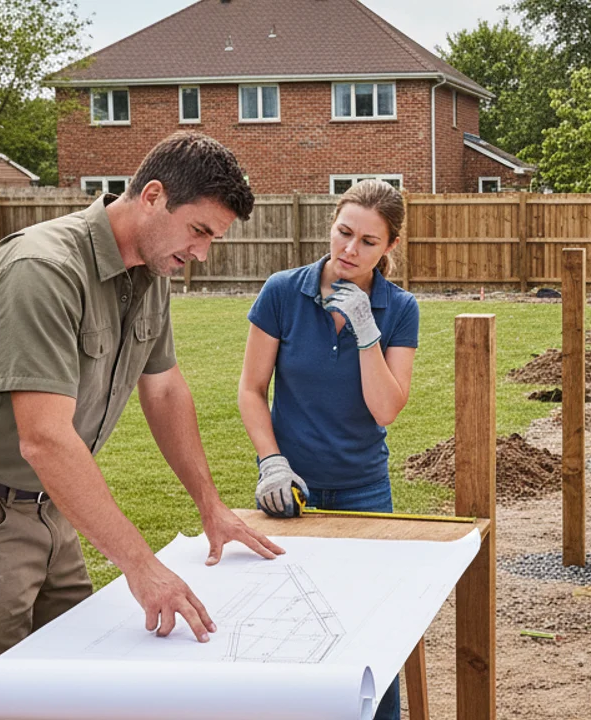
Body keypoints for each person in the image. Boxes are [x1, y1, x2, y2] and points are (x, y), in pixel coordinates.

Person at [0, 132, 285, 660]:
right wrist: (141, 565)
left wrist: (210, 506)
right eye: (198, 231)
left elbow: (165, 388)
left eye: (212, 238)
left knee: (75, 682)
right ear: (152, 197)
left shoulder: (150, 273)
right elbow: (45, 440)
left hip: (53, 510)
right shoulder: (42, 270)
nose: (201, 253)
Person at [238, 179, 419, 720]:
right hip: (292, 493)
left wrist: (368, 330)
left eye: (368, 242)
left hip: (365, 491)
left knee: (373, 635)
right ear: (331, 223)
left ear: (389, 248)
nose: (349, 250)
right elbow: (251, 389)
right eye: (344, 232)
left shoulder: (399, 309)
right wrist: (272, 463)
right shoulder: (281, 291)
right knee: (288, 628)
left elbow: (385, 409)